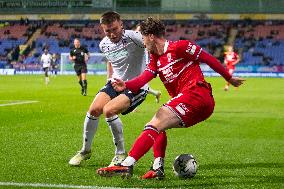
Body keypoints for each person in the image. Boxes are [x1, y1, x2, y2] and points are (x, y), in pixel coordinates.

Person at [96, 17, 245, 179]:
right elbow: (144, 78)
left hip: (197, 95)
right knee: (157, 127)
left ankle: (126, 165)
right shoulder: (155, 58)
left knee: (156, 121)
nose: (143, 42)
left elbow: (208, 59)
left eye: (143, 37)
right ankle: (157, 168)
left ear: (151, 36)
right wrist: (126, 85)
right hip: (190, 102)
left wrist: (229, 78)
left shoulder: (181, 47)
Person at [69, 12, 166, 167]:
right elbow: (112, 61)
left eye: (115, 29)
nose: (112, 34)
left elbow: (154, 46)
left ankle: (120, 154)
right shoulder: (103, 44)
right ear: (103, 29)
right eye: (108, 31)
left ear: (121, 24)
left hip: (136, 86)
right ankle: (85, 150)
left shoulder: (134, 38)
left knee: (109, 110)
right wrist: (109, 79)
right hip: (116, 82)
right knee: (93, 110)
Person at [135, 24, 161, 103]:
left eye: (140, 31)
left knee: (138, 85)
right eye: (138, 31)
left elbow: (147, 55)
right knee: (141, 86)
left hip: (142, 66)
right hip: (137, 66)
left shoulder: (145, 43)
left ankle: (132, 103)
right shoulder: (134, 40)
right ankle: (156, 93)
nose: (139, 32)